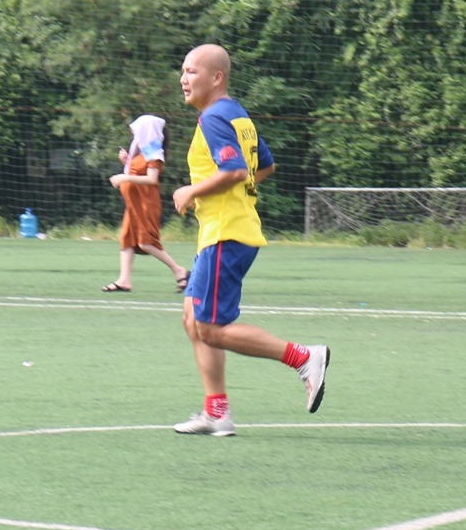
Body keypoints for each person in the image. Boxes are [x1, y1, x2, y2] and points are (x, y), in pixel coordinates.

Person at [169, 44, 330, 436]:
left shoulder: (214, 117)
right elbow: (265, 165)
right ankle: (216, 412)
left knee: (210, 328)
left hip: (227, 234)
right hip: (222, 231)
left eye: (192, 71)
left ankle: (304, 358)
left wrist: (192, 191)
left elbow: (236, 170)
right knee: (193, 318)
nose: (183, 79)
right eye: (183, 71)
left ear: (217, 77)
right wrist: (227, 193)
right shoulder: (237, 115)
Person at [104, 114, 188, 294]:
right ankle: (124, 280)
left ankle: (179, 271)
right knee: (127, 239)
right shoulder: (142, 151)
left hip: (145, 203)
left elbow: (151, 179)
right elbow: (137, 170)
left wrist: (124, 177)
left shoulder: (154, 154)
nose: (136, 134)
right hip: (133, 203)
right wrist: (127, 161)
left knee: (146, 243)